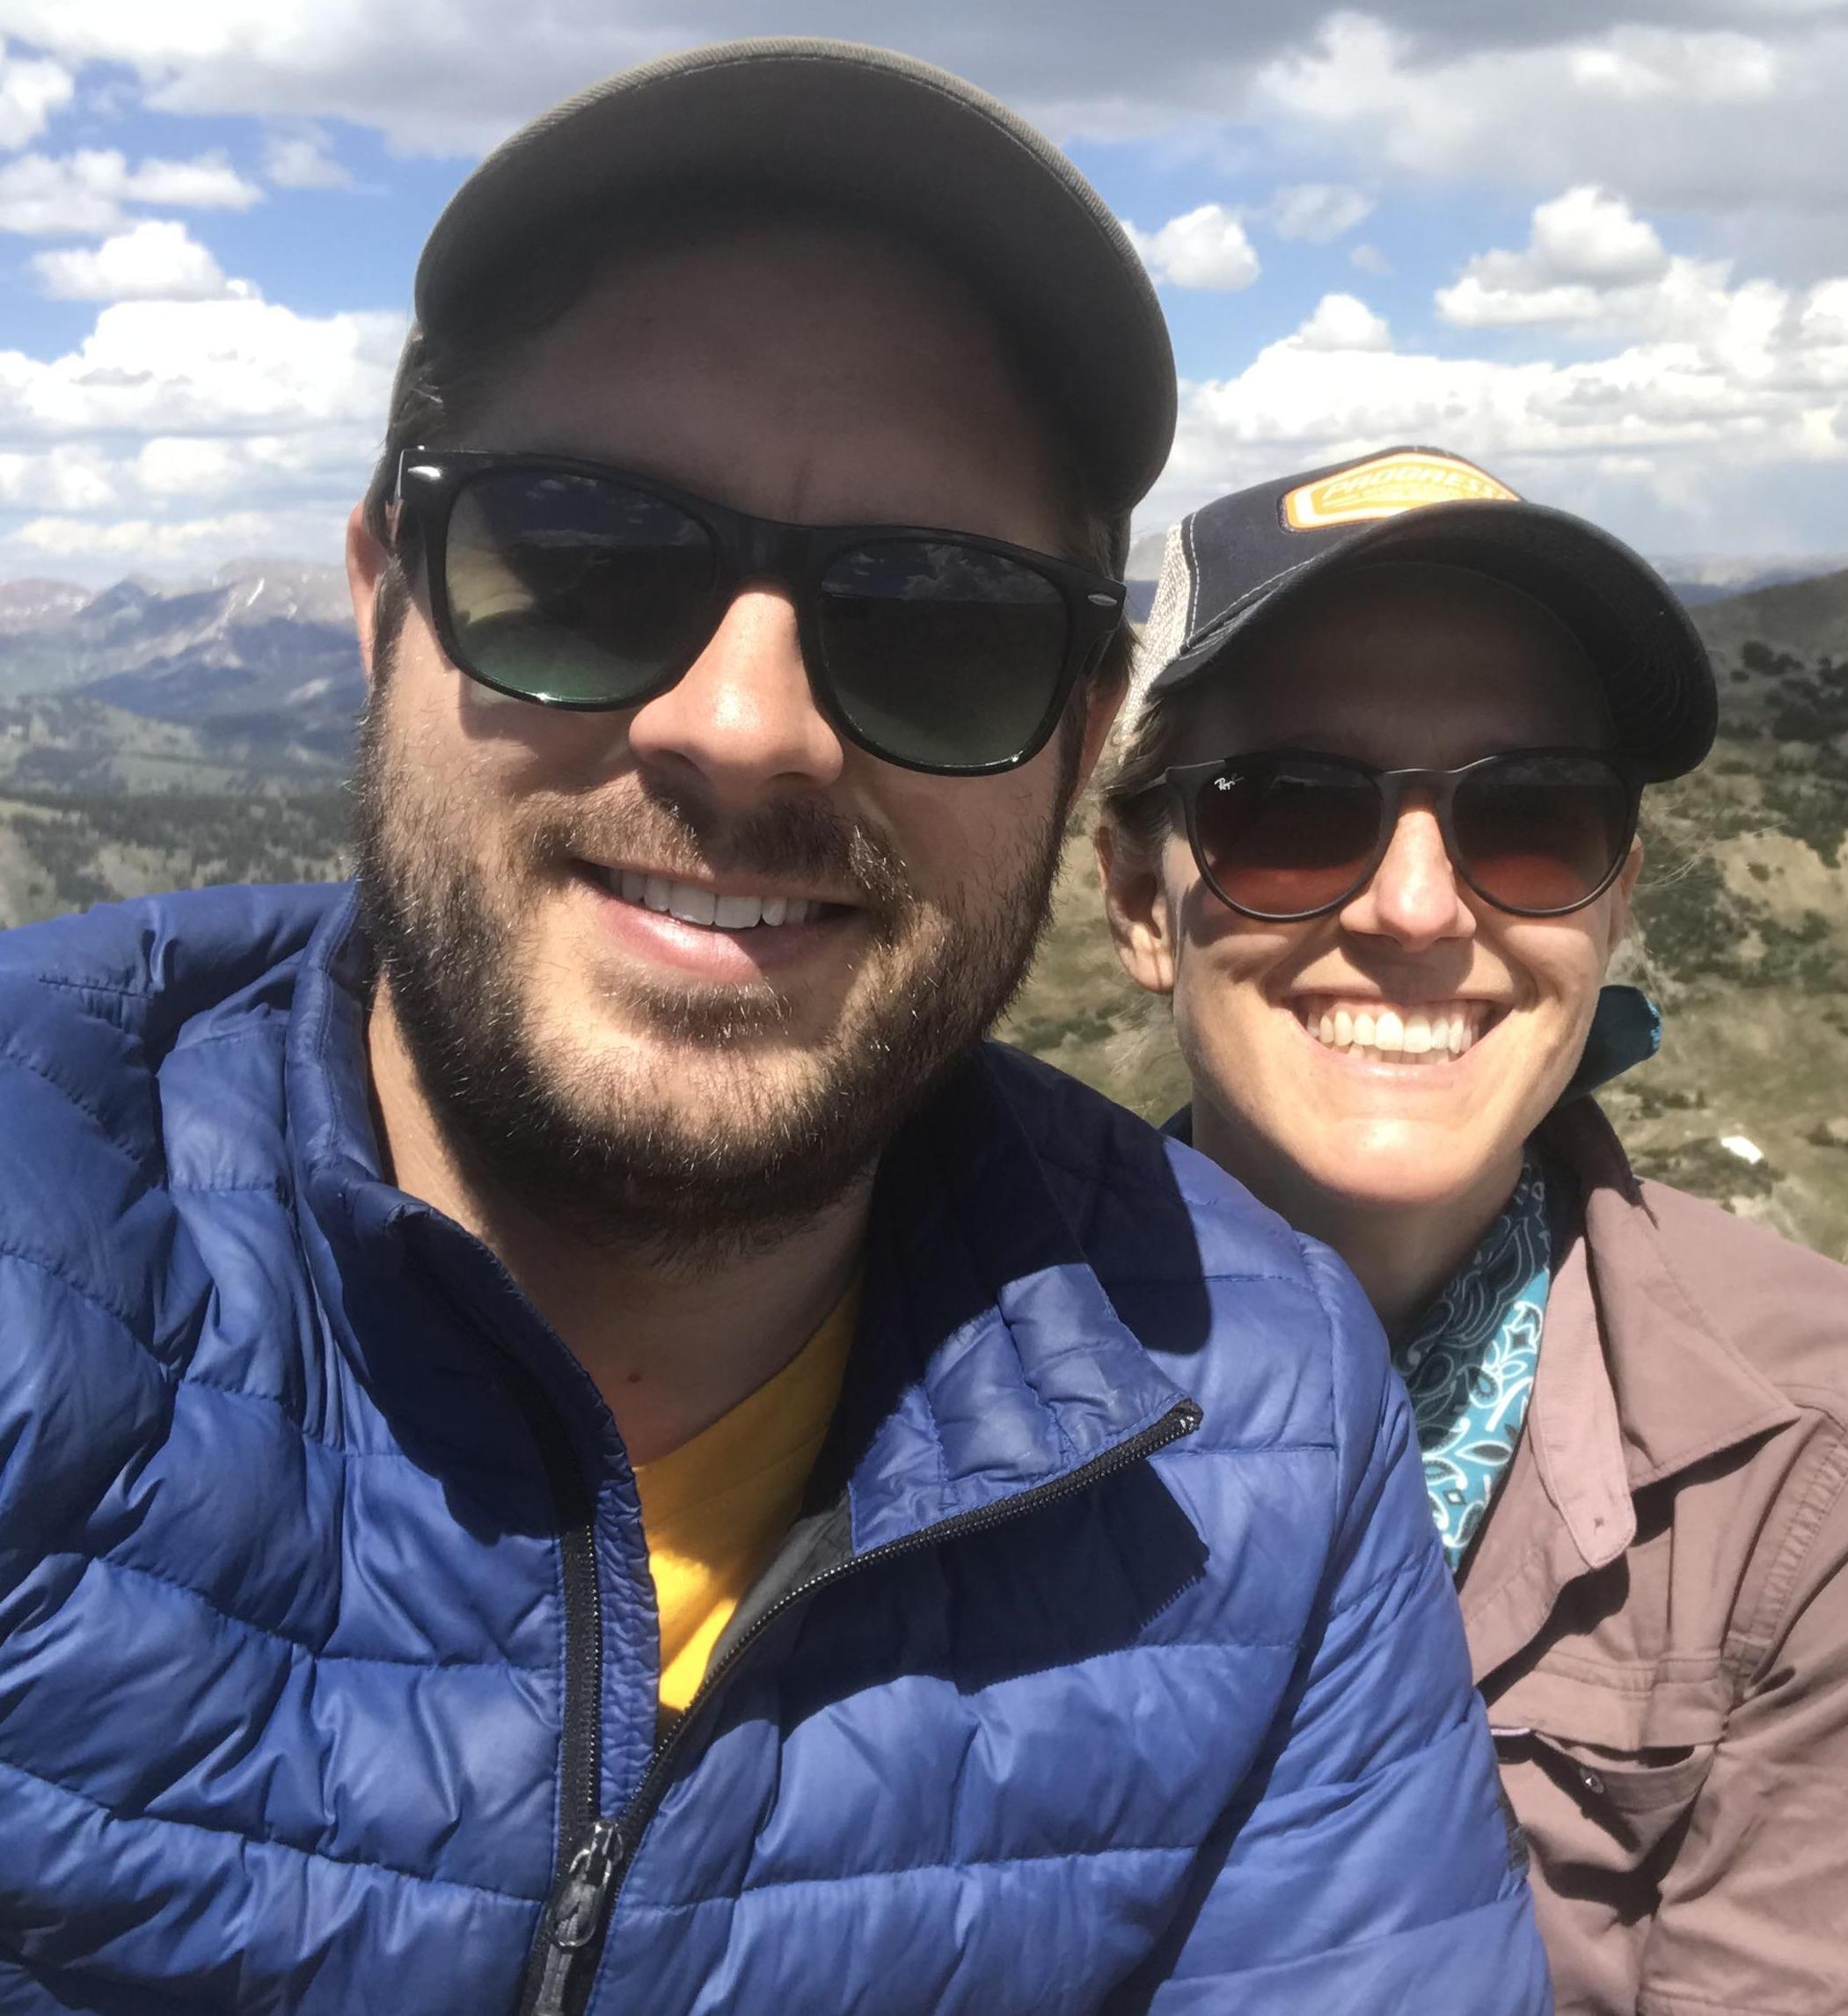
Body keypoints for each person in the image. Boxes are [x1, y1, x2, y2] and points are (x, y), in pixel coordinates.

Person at [0, 49, 1549, 2016]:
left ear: (1081, 744)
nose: (742, 724)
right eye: (584, 557)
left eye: (937, 617)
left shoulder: (1253, 1423)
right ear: (385, 597)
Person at [1098, 445, 1848, 2016]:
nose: (1414, 907)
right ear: (1136, 898)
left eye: (1528, 818)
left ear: (1610, 905)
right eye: (1292, 812)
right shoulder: (891, 1369)